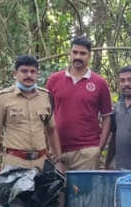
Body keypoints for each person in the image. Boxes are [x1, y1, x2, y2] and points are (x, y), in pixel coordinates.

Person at [0, 55, 65, 183]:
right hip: (15, 163)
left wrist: (59, 160)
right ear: (15, 73)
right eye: (24, 71)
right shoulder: (2, 98)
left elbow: (51, 131)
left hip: (41, 164)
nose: (29, 75)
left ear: (37, 74)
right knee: (14, 202)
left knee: (42, 201)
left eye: (33, 71)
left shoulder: (46, 97)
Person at [46, 35, 113, 170]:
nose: (78, 56)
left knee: (85, 191)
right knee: (58, 191)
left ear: (89, 56)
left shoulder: (99, 83)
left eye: (83, 53)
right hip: (58, 150)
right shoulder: (54, 80)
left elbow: (107, 116)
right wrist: (45, 146)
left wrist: (98, 148)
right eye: (75, 52)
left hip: (87, 150)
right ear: (69, 53)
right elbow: (45, 114)